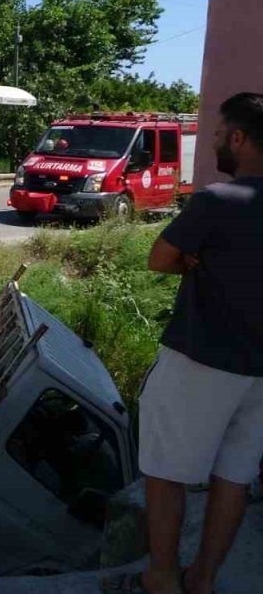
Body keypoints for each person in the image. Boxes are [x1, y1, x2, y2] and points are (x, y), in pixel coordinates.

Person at [107, 92, 263, 594]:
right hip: (259, 376)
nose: (214, 139)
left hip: (203, 358)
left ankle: (161, 576)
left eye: (219, 132)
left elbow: (160, 258)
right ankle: (204, 580)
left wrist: (192, 260)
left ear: (238, 138)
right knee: (234, 476)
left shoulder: (218, 201)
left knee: (165, 470)